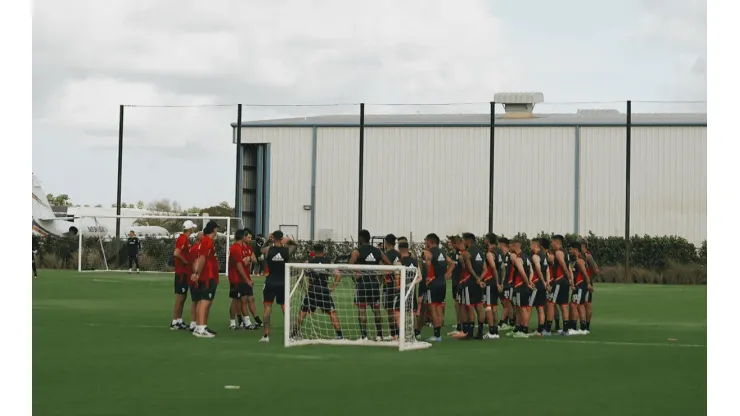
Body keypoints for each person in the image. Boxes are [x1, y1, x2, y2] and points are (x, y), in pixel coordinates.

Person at [292, 244, 343, 340]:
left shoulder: (309, 262)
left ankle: (294, 333)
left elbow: (300, 275)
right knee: (332, 313)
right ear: (323, 251)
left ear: (314, 252)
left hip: (312, 290)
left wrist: (304, 288)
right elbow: (338, 275)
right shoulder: (328, 262)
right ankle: (340, 335)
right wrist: (332, 288)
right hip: (324, 290)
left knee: (302, 312)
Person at [348, 229, 391, 341]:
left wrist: (355, 275)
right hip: (374, 284)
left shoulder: (356, 252)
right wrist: (381, 275)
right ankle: (379, 335)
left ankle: (364, 336)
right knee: (376, 310)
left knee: (362, 310)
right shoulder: (378, 251)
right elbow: (389, 264)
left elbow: (349, 266)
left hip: (362, 284)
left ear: (361, 239)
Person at [259, 230, 291, 343]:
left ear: (273, 238)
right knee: (284, 307)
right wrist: (290, 239)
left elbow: (261, 249)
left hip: (270, 282)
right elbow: (295, 246)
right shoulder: (287, 251)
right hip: (282, 283)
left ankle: (266, 334)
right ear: (282, 238)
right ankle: (289, 333)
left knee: (267, 308)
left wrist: (268, 239)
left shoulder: (268, 250)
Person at [190, 221, 220, 338]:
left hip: (209, 275)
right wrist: (197, 273)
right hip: (208, 276)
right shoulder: (207, 240)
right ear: (213, 229)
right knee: (204, 301)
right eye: (216, 229)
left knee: (205, 301)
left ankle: (200, 326)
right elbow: (202, 258)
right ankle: (200, 328)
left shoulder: (206, 241)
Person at [422, 233, 454, 342]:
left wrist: (427, 277)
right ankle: (438, 334)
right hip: (442, 283)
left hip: (433, 284)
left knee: (433, 308)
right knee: (439, 307)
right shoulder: (442, 252)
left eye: (426, 241)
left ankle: (436, 335)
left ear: (431, 242)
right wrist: (445, 275)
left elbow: (427, 265)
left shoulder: (428, 252)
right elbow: (452, 264)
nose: (425, 243)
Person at [454, 233, 486, 339]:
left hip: (468, 283)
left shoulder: (467, 253)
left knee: (469, 306)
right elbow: (485, 269)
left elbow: (468, 268)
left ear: (469, 241)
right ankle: (480, 332)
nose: (463, 242)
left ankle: (469, 333)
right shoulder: (481, 253)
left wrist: (476, 279)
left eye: (464, 240)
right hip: (478, 284)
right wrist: (480, 279)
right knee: (479, 305)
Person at [546, 235, 575, 335]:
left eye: (552, 242)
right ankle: (565, 330)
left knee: (550, 303)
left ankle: (548, 330)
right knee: (564, 305)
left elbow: (564, 266)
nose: (551, 244)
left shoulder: (558, 252)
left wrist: (568, 277)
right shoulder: (565, 252)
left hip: (559, 282)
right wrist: (570, 280)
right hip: (564, 282)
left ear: (556, 242)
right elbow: (569, 267)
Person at [170, 220, 196, 330]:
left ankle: (179, 320)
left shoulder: (185, 239)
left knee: (183, 297)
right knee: (180, 297)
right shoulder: (182, 238)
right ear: (190, 229)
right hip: (181, 272)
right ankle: (175, 321)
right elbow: (176, 252)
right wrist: (185, 261)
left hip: (184, 272)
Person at [509, 239, 534, 338]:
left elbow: (522, 272)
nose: (509, 249)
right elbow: (531, 270)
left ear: (515, 246)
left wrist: (527, 283)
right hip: (521, 286)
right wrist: (530, 280)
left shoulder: (518, 259)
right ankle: (518, 328)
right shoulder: (527, 257)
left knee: (523, 309)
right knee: (519, 308)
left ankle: (524, 331)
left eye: (510, 246)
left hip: (521, 287)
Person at [568, 241, 592, 335]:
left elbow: (585, 274)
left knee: (574, 305)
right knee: (580, 305)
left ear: (575, 250)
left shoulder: (579, 261)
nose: (570, 251)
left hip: (580, 286)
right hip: (581, 286)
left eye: (571, 249)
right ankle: (583, 328)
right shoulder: (579, 260)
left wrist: (588, 284)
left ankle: (574, 328)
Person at [240, 229, 262, 330]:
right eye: (248, 237)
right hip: (240, 278)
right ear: (243, 237)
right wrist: (249, 259)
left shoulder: (249, 247)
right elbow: (243, 263)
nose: (250, 239)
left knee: (251, 299)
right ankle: (244, 321)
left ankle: (256, 319)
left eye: (250, 237)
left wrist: (248, 258)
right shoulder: (238, 247)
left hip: (247, 277)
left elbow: (254, 260)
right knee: (242, 300)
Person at [481, 233, 502, 339]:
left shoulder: (490, 253)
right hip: (495, 283)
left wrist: (497, 282)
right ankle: (496, 331)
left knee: (488, 307)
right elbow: (502, 268)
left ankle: (491, 332)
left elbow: (493, 268)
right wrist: (500, 282)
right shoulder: (499, 251)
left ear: (488, 240)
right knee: (494, 306)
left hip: (490, 282)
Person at [227, 229, 248, 330]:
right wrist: (247, 279)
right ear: (243, 237)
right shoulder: (236, 248)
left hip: (237, 278)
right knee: (235, 300)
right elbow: (238, 266)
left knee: (241, 299)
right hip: (235, 278)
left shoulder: (238, 247)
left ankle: (242, 321)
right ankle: (232, 322)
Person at [382, 234, 401, 340]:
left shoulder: (387, 255)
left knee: (389, 309)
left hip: (389, 285)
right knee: (396, 309)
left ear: (387, 243)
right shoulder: (399, 254)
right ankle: (398, 332)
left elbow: (386, 270)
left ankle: (394, 333)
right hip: (399, 285)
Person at [529, 238, 550, 336]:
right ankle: (540, 330)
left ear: (535, 245)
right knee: (540, 308)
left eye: (531, 245)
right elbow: (547, 271)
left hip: (536, 285)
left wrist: (543, 281)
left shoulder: (535, 256)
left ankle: (523, 328)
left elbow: (538, 270)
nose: (530, 246)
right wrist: (547, 283)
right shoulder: (544, 256)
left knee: (529, 307)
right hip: (542, 285)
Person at [580, 238, 599, 332]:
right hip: (581, 283)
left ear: (583, 246)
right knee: (580, 304)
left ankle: (586, 327)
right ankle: (582, 325)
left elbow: (596, 270)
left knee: (587, 305)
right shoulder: (581, 256)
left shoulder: (588, 256)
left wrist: (590, 280)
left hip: (587, 283)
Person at [448, 236, 465, 336]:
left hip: (460, 282)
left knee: (460, 304)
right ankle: (459, 325)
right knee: (456, 304)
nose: (449, 244)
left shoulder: (462, 253)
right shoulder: (453, 254)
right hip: (454, 282)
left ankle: (462, 326)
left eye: (451, 243)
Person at [187, 232, 203, 332]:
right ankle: (196, 323)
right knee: (199, 301)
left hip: (194, 277)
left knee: (195, 300)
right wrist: (196, 275)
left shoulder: (195, 248)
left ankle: (194, 323)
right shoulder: (197, 248)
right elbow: (195, 263)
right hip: (196, 278)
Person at [497, 237, 514, 330]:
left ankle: (501, 323)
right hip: (502, 283)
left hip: (508, 284)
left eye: (499, 244)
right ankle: (511, 322)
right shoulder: (501, 255)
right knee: (506, 304)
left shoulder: (510, 256)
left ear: (502, 245)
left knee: (506, 304)